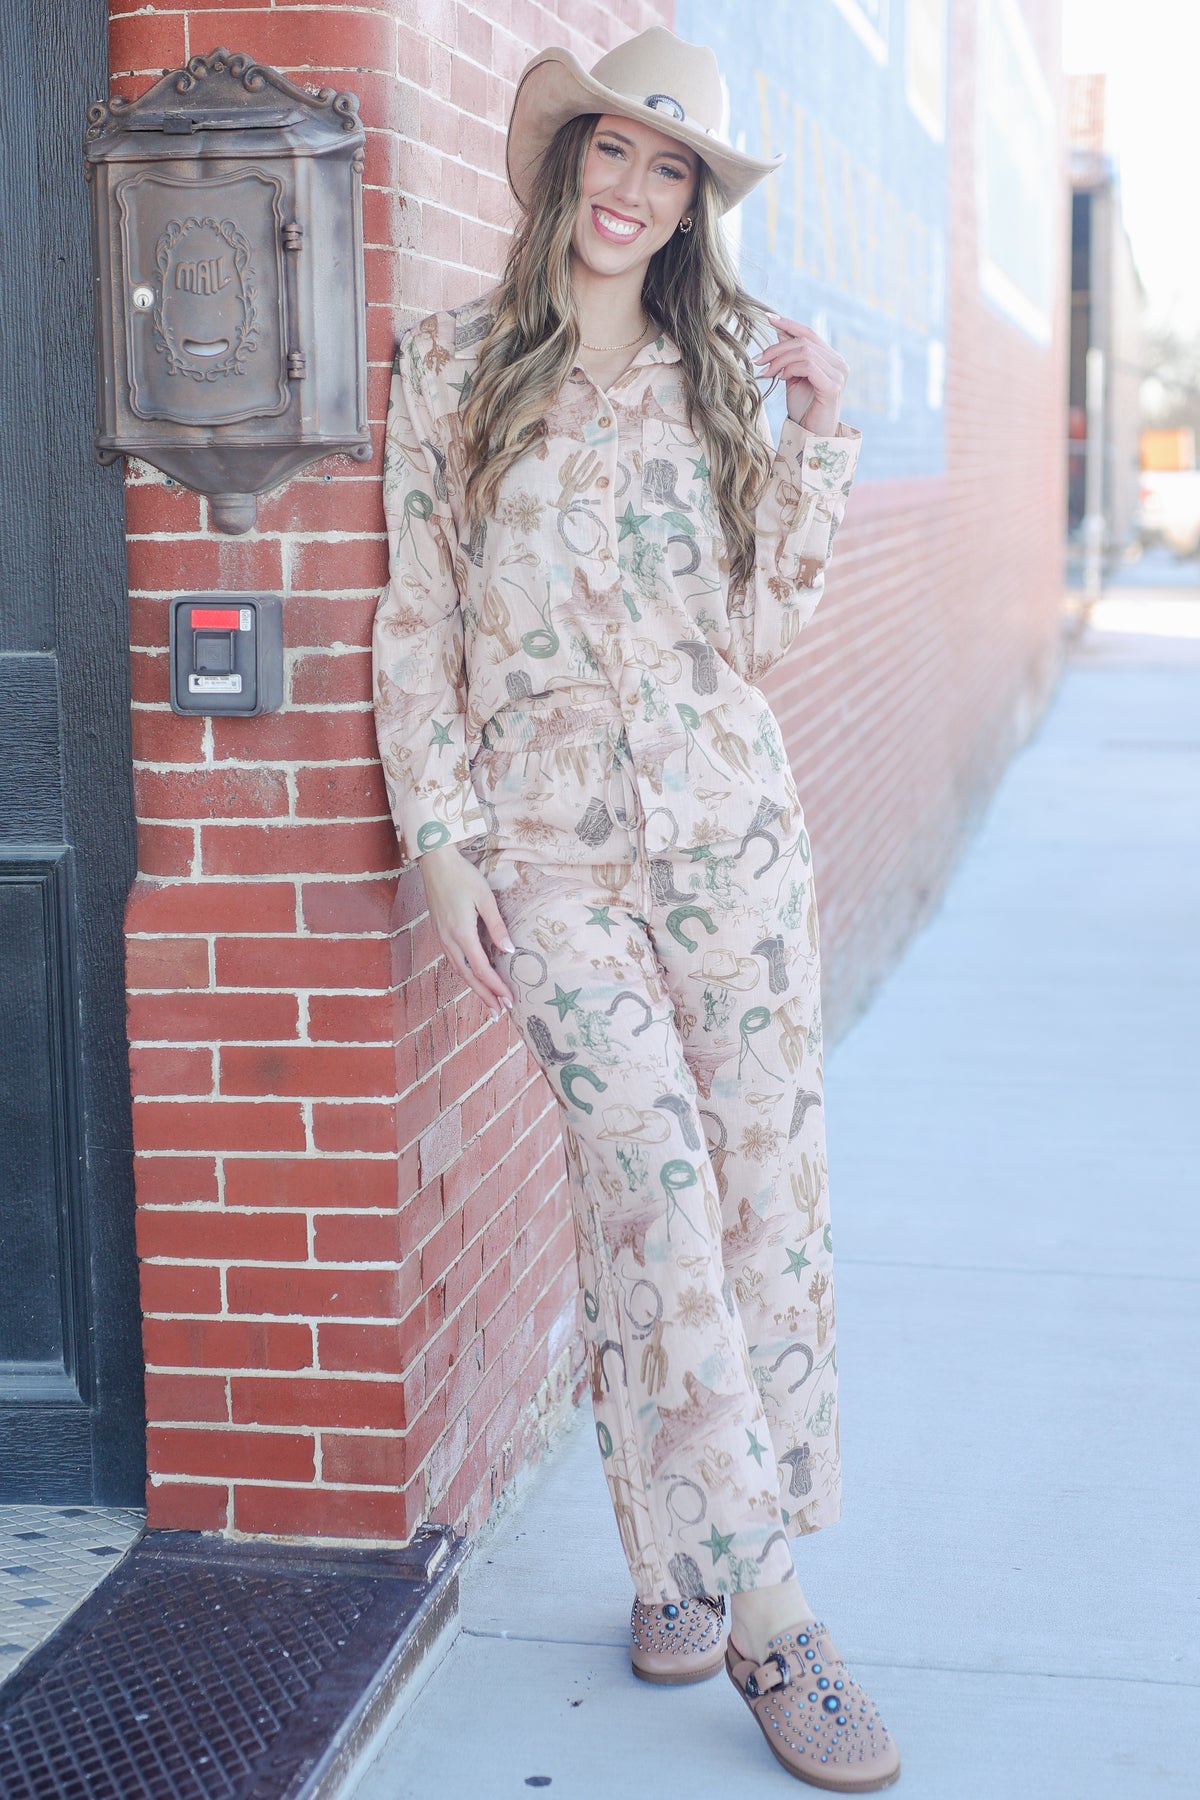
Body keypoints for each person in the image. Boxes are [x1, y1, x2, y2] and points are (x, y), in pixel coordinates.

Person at [372, 25, 899, 1792]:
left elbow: (757, 633)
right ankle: (772, 1613)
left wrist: (824, 439)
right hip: (554, 864)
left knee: (754, 1203)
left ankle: (676, 1555)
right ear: (564, 165)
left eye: (671, 172)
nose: (633, 191)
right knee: (656, 1190)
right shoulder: (449, 368)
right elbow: (420, 621)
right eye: (614, 154)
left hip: (731, 846)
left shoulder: (725, 368)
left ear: (694, 208)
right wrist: (441, 838)